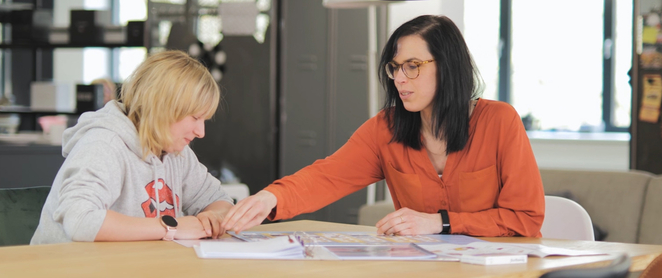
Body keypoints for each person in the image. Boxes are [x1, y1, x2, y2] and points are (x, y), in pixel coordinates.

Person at [222, 15, 544, 237]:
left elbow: (525, 219)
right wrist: (270, 198)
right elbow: (326, 176)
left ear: (448, 67)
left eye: (413, 66)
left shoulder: (500, 121)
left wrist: (440, 223)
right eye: (395, 68)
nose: (400, 78)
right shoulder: (385, 129)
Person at [31, 50, 234, 244]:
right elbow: (81, 220)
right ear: (163, 108)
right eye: (195, 117)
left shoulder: (176, 152)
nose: (201, 132)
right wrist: (172, 228)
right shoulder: (103, 144)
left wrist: (210, 218)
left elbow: (220, 200)